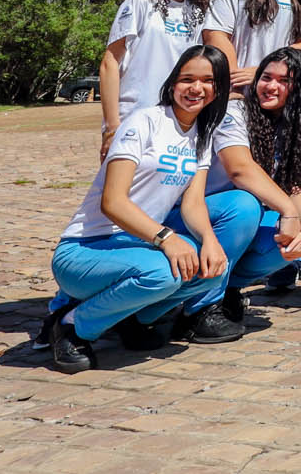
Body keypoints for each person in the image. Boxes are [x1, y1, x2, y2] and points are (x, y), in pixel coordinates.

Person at [44, 46, 234, 373]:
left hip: (137, 247)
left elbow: (192, 202)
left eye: (207, 80)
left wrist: (210, 241)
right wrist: (166, 238)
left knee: (214, 268)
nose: (196, 88)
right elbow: (113, 202)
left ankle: (133, 318)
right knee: (163, 273)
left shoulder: (202, 135)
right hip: (84, 250)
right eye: (187, 79)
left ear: (218, 89)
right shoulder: (144, 121)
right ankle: (72, 325)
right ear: (173, 82)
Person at [212, 46, 301, 307]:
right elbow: (239, 169)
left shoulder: (294, 125)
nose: (271, 86)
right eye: (266, 77)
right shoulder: (234, 111)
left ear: (300, 89)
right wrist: (289, 211)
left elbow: (296, 183)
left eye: (284, 81)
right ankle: (206, 300)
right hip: (209, 212)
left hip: (242, 219)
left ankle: (228, 288)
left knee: (292, 235)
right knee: (246, 205)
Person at [101, 0, 220, 162]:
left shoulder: (197, 13)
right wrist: (112, 124)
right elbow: (110, 63)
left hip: (174, 121)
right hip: (132, 116)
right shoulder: (139, 3)